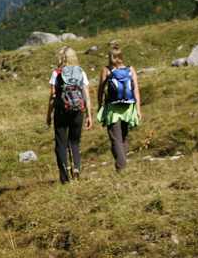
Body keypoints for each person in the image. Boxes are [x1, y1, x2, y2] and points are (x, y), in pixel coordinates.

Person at [46, 47, 93, 183]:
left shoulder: (56, 73)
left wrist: (48, 115)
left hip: (61, 111)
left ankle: (65, 176)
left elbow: (52, 97)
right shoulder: (81, 72)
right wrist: (89, 115)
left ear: (61, 58)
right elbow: (86, 96)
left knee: (61, 143)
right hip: (78, 110)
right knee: (74, 142)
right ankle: (76, 169)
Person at [97, 45, 142, 172]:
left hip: (113, 108)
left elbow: (100, 90)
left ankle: (121, 167)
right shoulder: (130, 69)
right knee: (124, 136)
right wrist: (138, 109)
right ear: (121, 56)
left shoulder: (106, 70)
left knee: (115, 138)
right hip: (128, 107)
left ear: (110, 57)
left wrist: (100, 105)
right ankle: (122, 162)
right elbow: (136, 90)